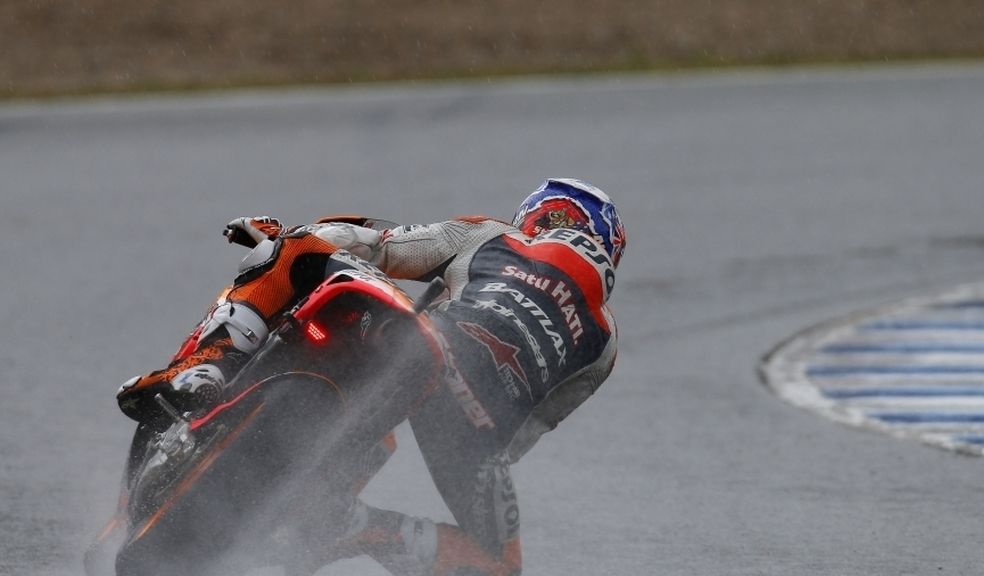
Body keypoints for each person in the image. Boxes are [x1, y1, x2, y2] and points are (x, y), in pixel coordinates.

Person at [116, 178, 625, 576]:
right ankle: (352, 524)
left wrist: (286, 235)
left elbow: (376, 247)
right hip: (476, 428)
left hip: (427, 344)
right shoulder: (605, 346)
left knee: (298, 246)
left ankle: (208, 365)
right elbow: (520, 436)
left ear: (538, 214)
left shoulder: (494, 234)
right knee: (498, 564)